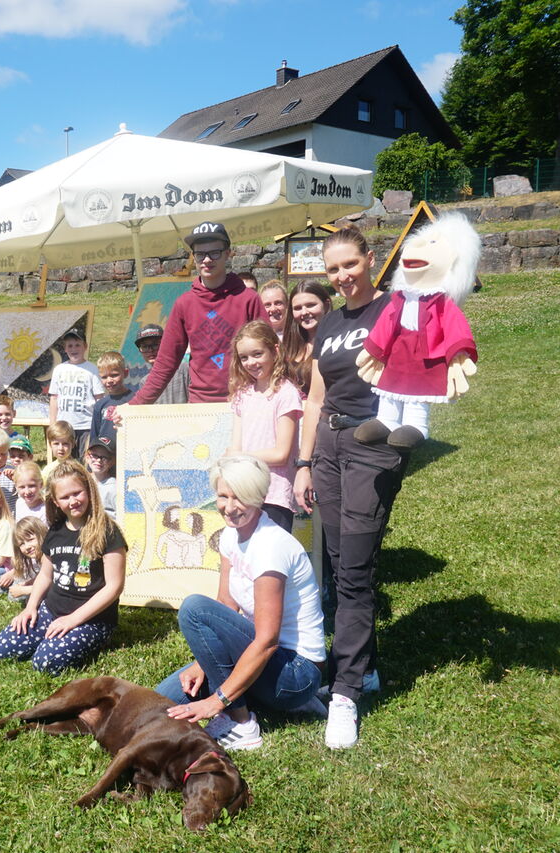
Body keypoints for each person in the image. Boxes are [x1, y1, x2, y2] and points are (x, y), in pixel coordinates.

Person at [292, 225, 404, 750]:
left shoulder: (398, 308)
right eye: (333, 270)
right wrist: (305, 463)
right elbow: (316, 398)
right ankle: (368, 669)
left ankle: (345, 694)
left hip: (374, 447)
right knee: (340, 566)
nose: (342, 277)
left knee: (355, 569)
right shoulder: (332, 320)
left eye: (349, 265)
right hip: (330, 449)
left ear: (370, 260)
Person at [156, 455, 325, 751]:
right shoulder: (230, 538)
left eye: (241, 498)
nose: (230, 507)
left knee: (194, 608)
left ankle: (242, 723)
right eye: (223, 496)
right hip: (260, 657)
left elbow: (268, 640)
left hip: (295, 673)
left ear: (260, 498)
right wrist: (202, 661)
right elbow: (225, 607)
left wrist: (216, 702)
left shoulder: (271, 547)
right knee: (162, 702)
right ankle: (257, 700)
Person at [0, 459, 127, 675]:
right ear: (55, 500)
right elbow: (45, 575)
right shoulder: (55, 530)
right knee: (1, 648)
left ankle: (86, 640)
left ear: (89, 490)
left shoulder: (108, 531)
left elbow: (114, 587)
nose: (73, 501)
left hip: (91, 619)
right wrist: (31, 607)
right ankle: (47, 636)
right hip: (51, 610)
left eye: (77, 493)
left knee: (45, 663)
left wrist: (73, 620)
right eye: (65, 497)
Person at [131, 222, 264, 405]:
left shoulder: (249, 299)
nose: (207, 260)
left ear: (227, 254)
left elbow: (269, 354)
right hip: (201, 404)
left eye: (214, 253)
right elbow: (165, 364)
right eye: (200, 254)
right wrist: (133, 406)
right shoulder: (184, 304)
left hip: (248, 399)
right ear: (193, 257)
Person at [228, 321, 303, 532]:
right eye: (244, 357)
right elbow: (235, 444)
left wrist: (239, 456)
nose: (251, 362)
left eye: (257, 354)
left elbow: (281, 454)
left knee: (271, 557)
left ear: (274, 350)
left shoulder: (286, 393)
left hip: (275, 493)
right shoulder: (242, 394)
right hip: (245, 490)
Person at [48, 328, 104, 457]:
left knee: (85, 460)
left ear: (85, 346)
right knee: (65, 460)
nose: (74, 349)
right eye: (70, 346)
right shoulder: (59, 369)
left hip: (86, 425)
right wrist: (52, 424)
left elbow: (99, 398)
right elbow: (54, 398)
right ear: (65, 348)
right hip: (64, 426)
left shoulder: (92, 369)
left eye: (78, 345)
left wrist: (99, 424)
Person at [280, 282, 333, 397]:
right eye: (298, 308)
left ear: (326, 305)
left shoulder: (336, 344)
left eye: (310, 305)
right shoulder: (288, 345)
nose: (304, 312)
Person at [0, 516, 48, 601]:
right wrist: (31, 582)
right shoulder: (40, 557)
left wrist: (26, 590)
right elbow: (45, 576)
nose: (27, 547)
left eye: (30, 539)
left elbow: (56, 585)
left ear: (42, 535)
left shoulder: (50, 557)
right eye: (21, 544)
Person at [133, 324, 188, 406]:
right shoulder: (144, 382)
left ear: (166, 345)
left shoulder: (184, 369)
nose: (150, 350)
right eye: (144, 346)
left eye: (155, 345)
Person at [90, 351, 134, 447]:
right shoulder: (99, 405)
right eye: (104, 377)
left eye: (114, 375)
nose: (109, 380)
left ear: (125, 373)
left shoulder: (135, 400)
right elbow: (94, 435)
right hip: (105, 456)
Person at [84, 436, 118, 522]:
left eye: (104, 457)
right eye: (95, 455)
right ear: (87, 457)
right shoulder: (82, 482)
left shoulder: (114, 488)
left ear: (112, 462)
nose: (99, 460)